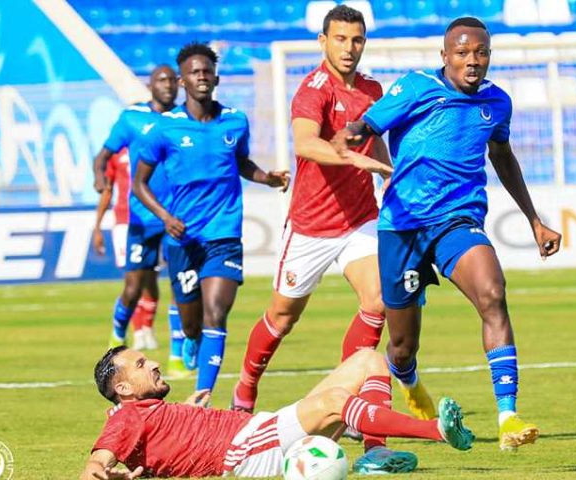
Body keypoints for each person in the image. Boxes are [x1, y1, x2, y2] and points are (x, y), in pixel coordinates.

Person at [331, 17, 562, 451]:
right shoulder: (416, 88)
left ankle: (508, 416)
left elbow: (503, 158)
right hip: (402, 227)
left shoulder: (498, 103)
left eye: (481, 53)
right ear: (445, 56)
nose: (472, 62)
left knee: (493, 293)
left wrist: (534, 219)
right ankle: (409, 379)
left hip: (457, 220)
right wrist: (353, 132)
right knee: (400, 346)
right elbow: (370, 123)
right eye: (462, 53)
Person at [230, 5, 432, 473]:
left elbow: (376, 140)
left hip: (360, 220)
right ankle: (245, 388)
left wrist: (385, 173)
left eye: (356, 40)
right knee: (282, 316)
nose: (349, 48)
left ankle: (367, 430)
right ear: (323, 41)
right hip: (311, 226)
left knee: (380, 300)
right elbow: (305, 143)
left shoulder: (372, 90)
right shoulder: (311, 90)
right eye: (340, 39)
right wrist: (353, 160)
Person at [133, 42, 289, 397]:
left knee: (215, 315)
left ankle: (202, 395)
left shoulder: (235, 120)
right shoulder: (164, 128)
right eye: (193, 72)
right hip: (182, 239)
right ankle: (190, 340)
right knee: (192, 324)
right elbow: (139, 183)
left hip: (224, 235)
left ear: (216, 77)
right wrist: (165, 217)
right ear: (182, 81)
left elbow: (241, 162)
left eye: (206, 71)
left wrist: (267, 178)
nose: (201, 76)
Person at [80, 347, 474, 479]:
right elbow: (95, 464)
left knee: (369, 359)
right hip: (248, 449)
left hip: (259, 430)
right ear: (123, 389)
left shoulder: (147, 411)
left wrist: (188, 414)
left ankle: (374, 453)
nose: (152, 365)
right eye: (140, 364)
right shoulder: (126, 418)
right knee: (334, 401)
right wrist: (103, 472)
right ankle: (438, 430)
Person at [92, 65, 182, 371]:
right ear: (150, 85)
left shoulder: (187, 119)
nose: (168, 85)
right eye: (161, 80)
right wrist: (99, 178)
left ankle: (179, 355)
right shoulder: (131, 118)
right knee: (133, 287)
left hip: (178, 217)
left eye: (172, 80)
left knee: (180, 283)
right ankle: (116, 335)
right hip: (141, 218)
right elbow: (103, 155)